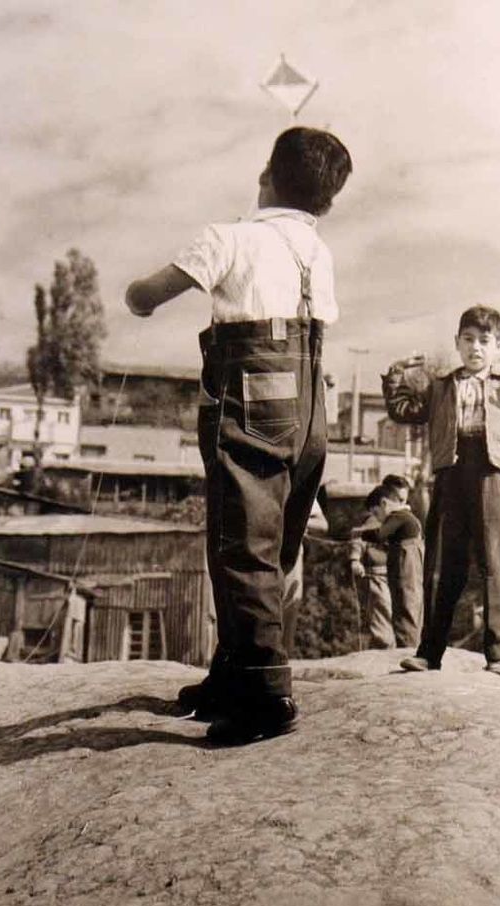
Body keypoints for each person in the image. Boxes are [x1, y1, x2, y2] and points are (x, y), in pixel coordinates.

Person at [124, 126, 352, 744]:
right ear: (327, 201)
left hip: (253, 397)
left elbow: (149, 293)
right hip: (312, 406)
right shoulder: (318, 250)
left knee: (241, 547)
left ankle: (266, 696)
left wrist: (135, 298)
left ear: (266, 177)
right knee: (266, 547)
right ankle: (231, 673)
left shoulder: (230, 237)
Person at [383, 305, 500, 675]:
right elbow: (402, 410)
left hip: (494, 474)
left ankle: (499, 655)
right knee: (444, 565)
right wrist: (397, 373)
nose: (475, 347)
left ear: (498, 347)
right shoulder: (440, 387)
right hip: (451, 473)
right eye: (468, 339)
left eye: (484, 340)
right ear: (457, 342)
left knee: (495, 562)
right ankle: (429, 652)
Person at [373, 476, 424, 647]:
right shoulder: (407, 516)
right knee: (409, 605)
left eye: (403, 500)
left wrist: (356, 533)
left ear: (384, 502)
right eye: (400, 499)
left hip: (405, 564)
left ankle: (408, 647)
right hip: (409, 563)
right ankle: (411, 645)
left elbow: (379, 535)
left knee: (405, 605)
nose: (403, 504)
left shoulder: (399, 516)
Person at [348, 488, 396, 649]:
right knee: (382, 621)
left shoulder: (398, 519)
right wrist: (355, 559)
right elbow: (358, 538)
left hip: (397, 577)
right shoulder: (374, 519)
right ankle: (384, 651)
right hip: (378, 577)